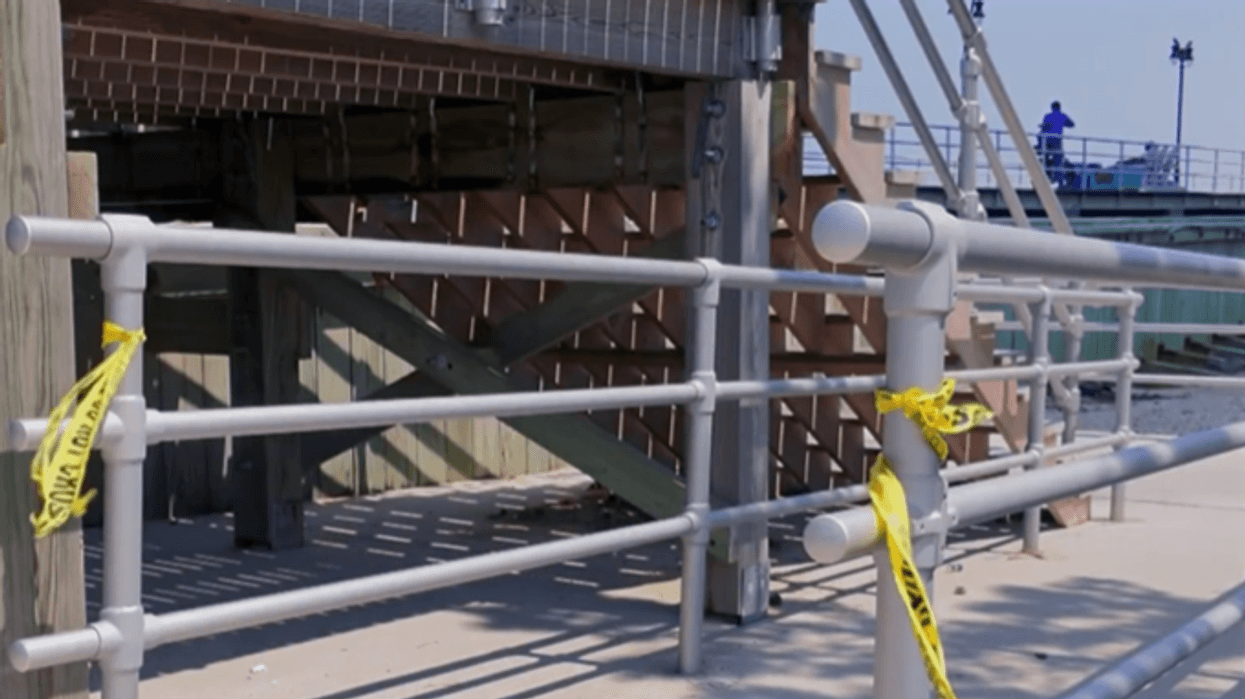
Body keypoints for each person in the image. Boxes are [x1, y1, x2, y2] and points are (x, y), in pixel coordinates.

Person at [1039, 101, 1075, 185]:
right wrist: (1063, 123)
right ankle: (1059, 181)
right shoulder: (1062, 116)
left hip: (1047, 140)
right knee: (1058, 160)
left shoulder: (1047, 116)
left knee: (1046, 159)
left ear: (1052, 107)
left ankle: (1047, 177)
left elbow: (1044, 128)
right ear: (1059, 107)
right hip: (1057, 139)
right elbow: (1072, 124)